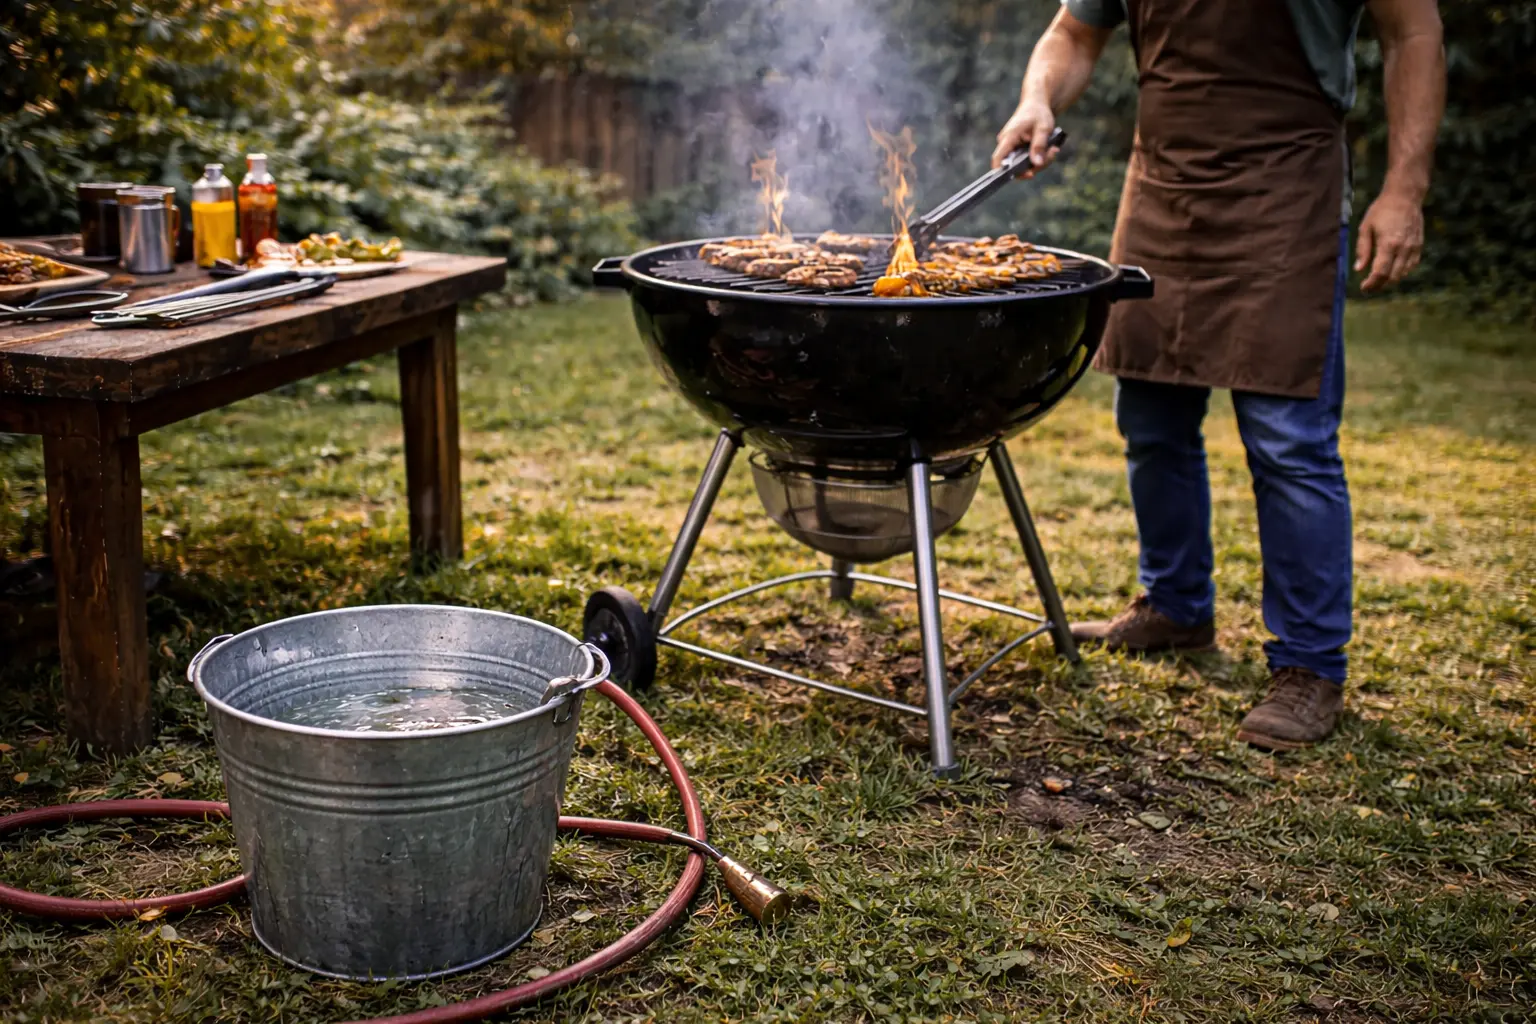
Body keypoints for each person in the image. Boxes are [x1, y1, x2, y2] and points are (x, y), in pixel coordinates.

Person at [992, 0, 1445, 749]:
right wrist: (1036, 99)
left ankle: (1309, 663)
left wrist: (1405, 190)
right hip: (1164, 188)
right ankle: (1176, 606)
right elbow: (1072, 32)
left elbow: (1414, 32)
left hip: (1287, 195)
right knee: (1150, 418)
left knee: (1289, 439)